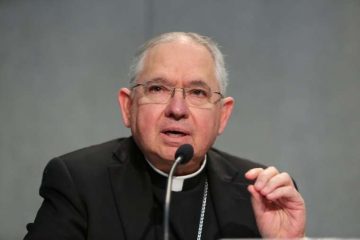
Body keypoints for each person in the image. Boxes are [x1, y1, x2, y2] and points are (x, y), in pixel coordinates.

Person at [24, 32, 306, 240]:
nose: (177, 109)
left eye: (197, 92)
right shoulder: (79, 181)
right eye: (158, 88)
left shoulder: (260, 195)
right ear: (128, 106)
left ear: (223, 115)